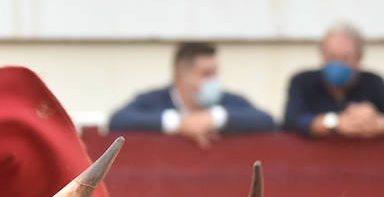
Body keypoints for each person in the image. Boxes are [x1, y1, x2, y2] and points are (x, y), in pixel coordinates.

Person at [108, 42, 276, 147]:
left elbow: (267, 121)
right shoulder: (153, 100)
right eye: (206, 74)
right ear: (181, 76)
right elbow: (118, 120)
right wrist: (178, 123)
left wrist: (215, 118)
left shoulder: (229, 101)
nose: (214, 80)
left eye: (215, 73)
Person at [283, 22, 384, 139]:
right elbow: (291, 121)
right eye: (332, 57)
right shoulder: (302, 81)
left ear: (359, 58)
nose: (338, 63)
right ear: (322, 56)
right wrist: (335, 122)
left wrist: (380, 123)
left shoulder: (373, 82)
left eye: (345, 58)